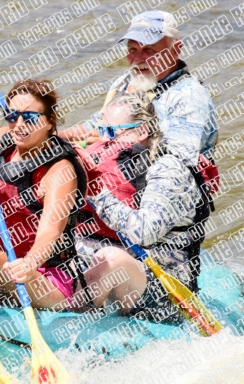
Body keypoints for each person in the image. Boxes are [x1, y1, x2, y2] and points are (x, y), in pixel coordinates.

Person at [81, 93, 213, 321]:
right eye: (102, 132)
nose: (104, 141)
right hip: (126, 263)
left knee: (109, 258)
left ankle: (75, 327)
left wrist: (95, 190)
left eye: (112, 132)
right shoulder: (125, 162)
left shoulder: (169, 171)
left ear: (142, 131)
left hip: (162, 283)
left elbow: (144, 232)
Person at [0, 79, 95, 311]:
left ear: (49, 122)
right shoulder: (2, 141)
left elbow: (51, 231)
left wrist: (29, 263)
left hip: (46, 277)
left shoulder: (59, 171)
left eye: (29, 118)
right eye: (12, 116)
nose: (18, 125)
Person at [61, 10, 217, 167]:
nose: (137, 59)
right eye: (132, 50)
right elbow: (95, 125)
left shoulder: (189, 96)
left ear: (175, 50)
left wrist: (110, 142)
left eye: (149, 50)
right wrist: (52, 138)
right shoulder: (125, 82)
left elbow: (179, 159)